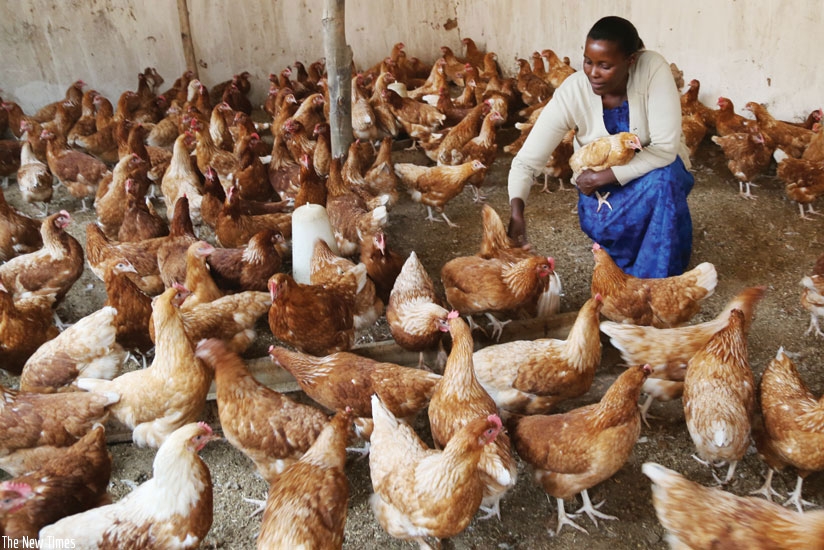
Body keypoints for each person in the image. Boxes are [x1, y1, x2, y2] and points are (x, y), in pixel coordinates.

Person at [507, 16, 694, 278]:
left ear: (630, 61)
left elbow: (664, 150)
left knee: (666, 178)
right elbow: (526, 161)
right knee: (619, 233)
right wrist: (517, 213)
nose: (593, 72)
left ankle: (656, 279)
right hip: (603, 195)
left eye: (605, 65)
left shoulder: (652, 69)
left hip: (650, 177)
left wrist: (602, 176)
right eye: (588, 61)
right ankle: (625, 257)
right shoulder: (574, 91)